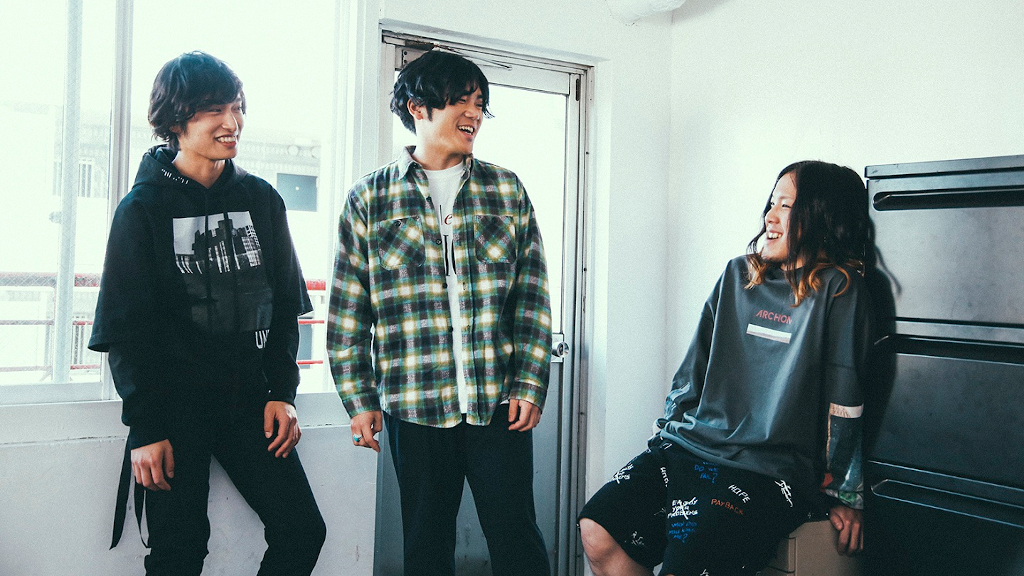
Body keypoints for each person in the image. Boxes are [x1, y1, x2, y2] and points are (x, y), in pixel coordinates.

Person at [89, 51, 326, 575]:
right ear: (176, 120)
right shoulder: (142, 209)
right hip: (173, 409)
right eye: (214, 110)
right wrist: (145, 428)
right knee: (178, 552)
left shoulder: (261, 199)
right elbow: (126, 330)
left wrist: (283, 393)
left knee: (302, 530)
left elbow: (286, 306)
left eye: (236, 107)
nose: (231, 122)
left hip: (250, 401)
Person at [579, 161, 873, 576]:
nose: (769, 217)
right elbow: (692, 372)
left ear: (822, 216)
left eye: (786, 206)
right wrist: (667, 431)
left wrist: (846, 494)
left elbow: (844, 405)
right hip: (692, 444)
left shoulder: (840, 291)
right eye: (772, 204)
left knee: (687, 563)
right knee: (598, 528)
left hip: (767, 469)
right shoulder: (738, 274)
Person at [327, 50, 553, 576]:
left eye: (480, 103)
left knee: (517, 538)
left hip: (498, 401)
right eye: (461, 101)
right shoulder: (369, 198)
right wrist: (359, 400)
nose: (474, 113)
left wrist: (530, 383)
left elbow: (533, 296)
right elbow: (348, 312)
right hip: (414, 402)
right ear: (418, 107)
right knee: (426, 545)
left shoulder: (506, 189)